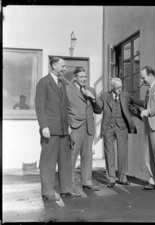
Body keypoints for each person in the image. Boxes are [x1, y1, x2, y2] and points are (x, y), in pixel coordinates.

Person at [35, 56, 80, 202]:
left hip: (63, 129)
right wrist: (44, 126)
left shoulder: (61, 83)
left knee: (65, 161)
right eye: (62, 66)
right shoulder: (43, 82)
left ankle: (66, 189)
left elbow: (64, 108)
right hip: (50, 129)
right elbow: (40, 106)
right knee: (48, 162)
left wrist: (68, 127)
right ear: (54, 65)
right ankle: (47, 192)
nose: (65, 69)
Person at [130, 66, 155, 193]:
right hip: (149, 126)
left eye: (143, 77)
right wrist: (131, 99)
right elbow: (146, 104)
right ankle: (154, 180)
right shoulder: (149, 90)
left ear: (151, 75)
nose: (142, 80)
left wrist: (149, 112)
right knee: (149, 156)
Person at [65, 67, 101, 192]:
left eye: (85, 76)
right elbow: (63, 109)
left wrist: (93, 98)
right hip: (75, 126)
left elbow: (99, 110)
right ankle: (68, 185)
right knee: (72, 156)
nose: (84, 79)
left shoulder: (91, 90)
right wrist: (67, 126)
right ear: (75, 77)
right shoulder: (67, 89)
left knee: (87, 156)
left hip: (89, 126)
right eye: (81, 77)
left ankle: (87, 182)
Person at [97, 78, 137, 188]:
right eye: (118, 88)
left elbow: (133, 106)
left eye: (121, 87)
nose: (120, 89)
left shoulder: (125, 95)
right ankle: (111, 179)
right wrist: (93, 99)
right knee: (109, 153)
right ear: (112, 87)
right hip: (108, 127)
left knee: (122, 152)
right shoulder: (104, 96)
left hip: (122, 127)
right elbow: (98, 108)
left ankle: (122, 178)